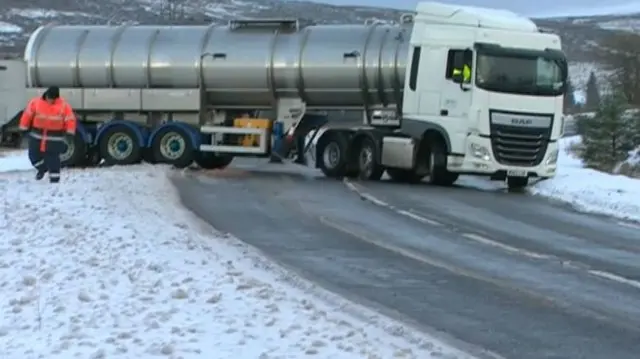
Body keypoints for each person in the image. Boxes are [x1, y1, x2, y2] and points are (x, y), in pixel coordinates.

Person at [18, 86, 77, 183]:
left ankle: (54, 180)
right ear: (46, 95)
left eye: (53, 99)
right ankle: (42, 168)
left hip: (54, 138)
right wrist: (23, 129)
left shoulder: (64, 106)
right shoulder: (36, 102)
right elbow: (27, 115)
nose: (51, 100)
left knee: (53, 159)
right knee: (33, 156)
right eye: (50, 98)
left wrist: (69, 134)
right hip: (37, 136)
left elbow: (70, 120)